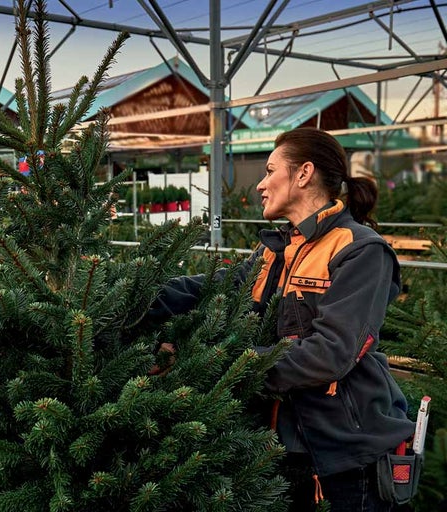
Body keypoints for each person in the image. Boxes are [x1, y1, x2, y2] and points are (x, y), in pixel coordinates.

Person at [150, 127, 415, 511]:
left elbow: (330, 354)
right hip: (279, 449)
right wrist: (134, 292)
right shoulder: (276, 251)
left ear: (303, 174)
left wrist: (215, 359)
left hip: (344, 458)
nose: (260, 184)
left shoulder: (360, 251)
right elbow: (211, 287)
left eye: (270, 170)